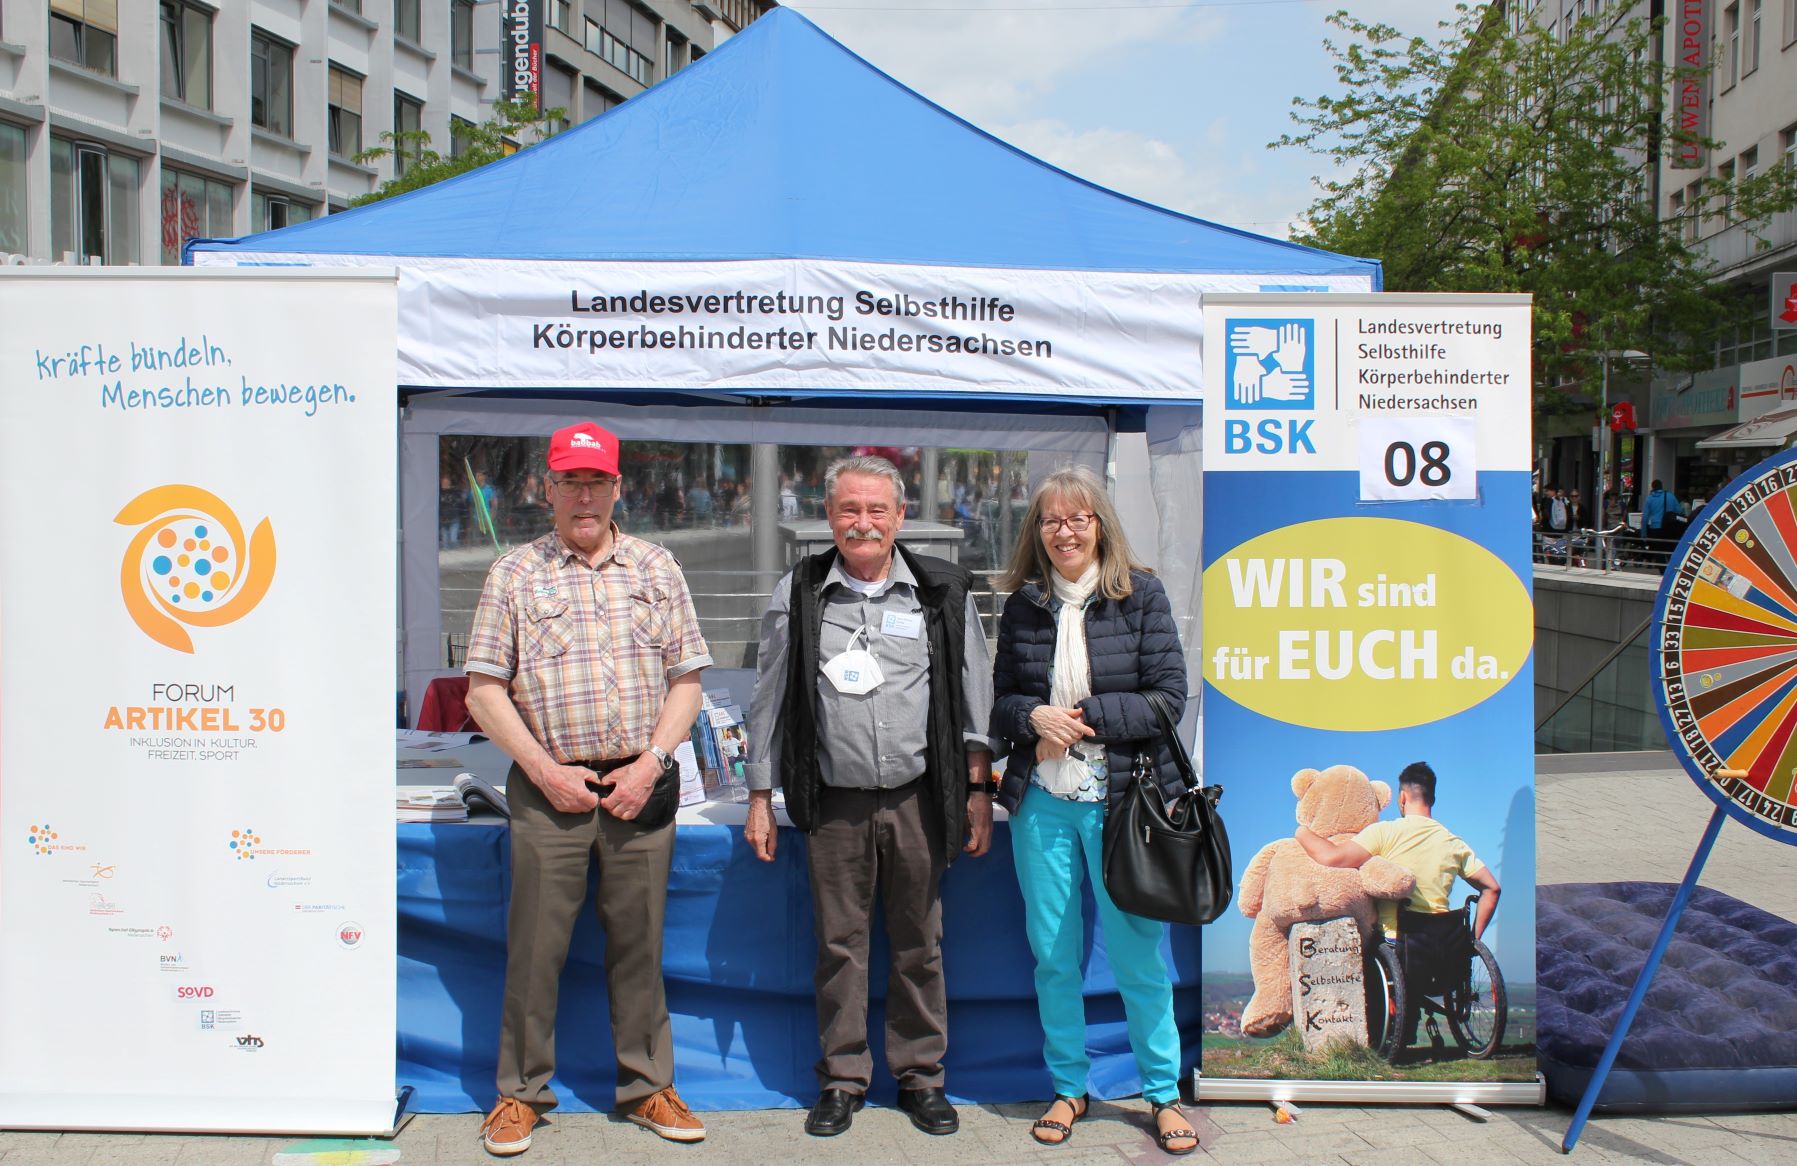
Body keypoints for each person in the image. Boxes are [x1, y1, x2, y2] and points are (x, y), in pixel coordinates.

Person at [464, 421, 713, 1155]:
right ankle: (518, 1095)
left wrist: (652, 763)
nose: (583, 494)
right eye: (569, 480)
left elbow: (687, 681)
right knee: (534, 949)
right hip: (548, 788)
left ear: (617, 488)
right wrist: (543, 770)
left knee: (639, 946)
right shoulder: (513, 573)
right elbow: (483, 692)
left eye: (595, 481)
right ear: (545, 488)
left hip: (639, 786)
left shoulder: (656, 567)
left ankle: (647, 1088)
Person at [743, 455, 994, 1140]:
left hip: (918, 797)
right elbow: (767, 698)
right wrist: (759, 794)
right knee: (839, 945)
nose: (862, 523)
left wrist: (977, 790)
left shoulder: (941, 591)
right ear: (828, 516)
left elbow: (975, 697)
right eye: (848, 510)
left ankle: (920, 1079)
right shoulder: (799, 592)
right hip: (834, 802)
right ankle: (843, 1081)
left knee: (920, 942)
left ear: (898, 516)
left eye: (875, 510)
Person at [989, 466, 1197, 1156]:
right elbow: (1000, 706)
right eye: (1051, 519)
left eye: (1078, 518)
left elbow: (1170, 696)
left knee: (1139, 957)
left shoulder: (1140, 595)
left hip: (1123, 805)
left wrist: (1082, 718)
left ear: (1100, 524)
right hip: (1041, 804)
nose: (1064, 531)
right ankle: (1069, 1086)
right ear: (1036, 531)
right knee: (1052, 956)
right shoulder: (1022, 604)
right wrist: (1031, 717)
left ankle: (1161, 1093)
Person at [1293, 761, 1501, 1054]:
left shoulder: (1385, 833)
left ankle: (1384, 1032)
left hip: (1399, 945)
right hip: (1446, 949)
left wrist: (1301, 832)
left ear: (1402, 798)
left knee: (1368, 942)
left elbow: (1332, 857)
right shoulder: (1454, 842)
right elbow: (1492, 888)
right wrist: (1470, 942)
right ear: (1432, 798)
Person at [1642, 479, 1683, 561]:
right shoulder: (1670, 496)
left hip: (1655, 527)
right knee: (1670, 549)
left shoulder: (1649, 499)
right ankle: (1671, 568)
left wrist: (1644, 533)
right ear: (1662, 486)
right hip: (1669, 527)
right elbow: (1679, 511)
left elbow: (1645, 517)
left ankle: (1662, 569)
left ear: (1652, 487)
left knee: (1658, 550)